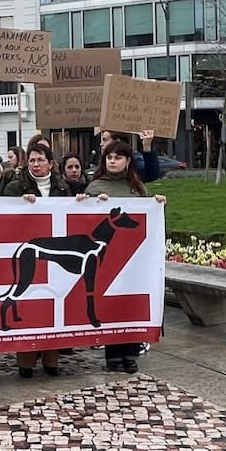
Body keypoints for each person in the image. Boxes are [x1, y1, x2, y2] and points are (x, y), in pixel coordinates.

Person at [81, 138, 167, 375]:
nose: (113, 161)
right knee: (111, 304)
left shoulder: (138, 188)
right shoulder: (95, 187)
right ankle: (113, 354)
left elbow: (147, 221)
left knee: (130, 304)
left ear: (127, 161)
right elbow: (83, 220)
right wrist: (86, 203)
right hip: (109, 256)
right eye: (109, 157)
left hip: (134, 258)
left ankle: (130, 352)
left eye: (118, 157)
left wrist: (157, 203)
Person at [4, 144, 72, 378]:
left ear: (51, 164)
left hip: (55, 255)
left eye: (40, 160)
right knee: (29, 304)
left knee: (52, 302)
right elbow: (3, 213)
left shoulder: (63, 187)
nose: (36, 164)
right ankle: (26, 362)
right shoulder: (14, 187)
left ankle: (51, 359)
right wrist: (20, 204)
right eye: (32, 160)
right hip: (28, 252)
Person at [94, 129, 162, 182]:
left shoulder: (135, 161)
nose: (101, 144)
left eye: (105, 140)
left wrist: (147, 146)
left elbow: (151, 174)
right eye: (109, 158)